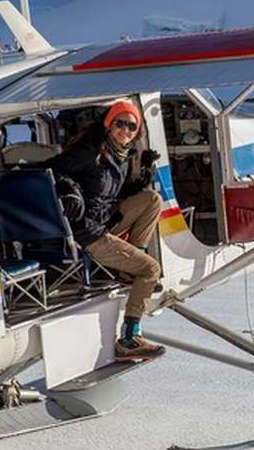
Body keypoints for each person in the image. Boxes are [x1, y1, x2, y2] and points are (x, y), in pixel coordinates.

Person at [48, 101, 166, 361]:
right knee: (151, 270)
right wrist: (68, 189)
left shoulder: (123, 154)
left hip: (106, 219)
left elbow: (112, 193)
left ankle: (128, 269)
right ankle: (129, 338)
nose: (125, 129)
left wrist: (142, 177)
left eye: (131, 126)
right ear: (108, 124)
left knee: (152, 200)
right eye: (119, 123)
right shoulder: (90, 150)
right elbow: (51, 170)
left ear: (137, 132)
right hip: (88, 229)